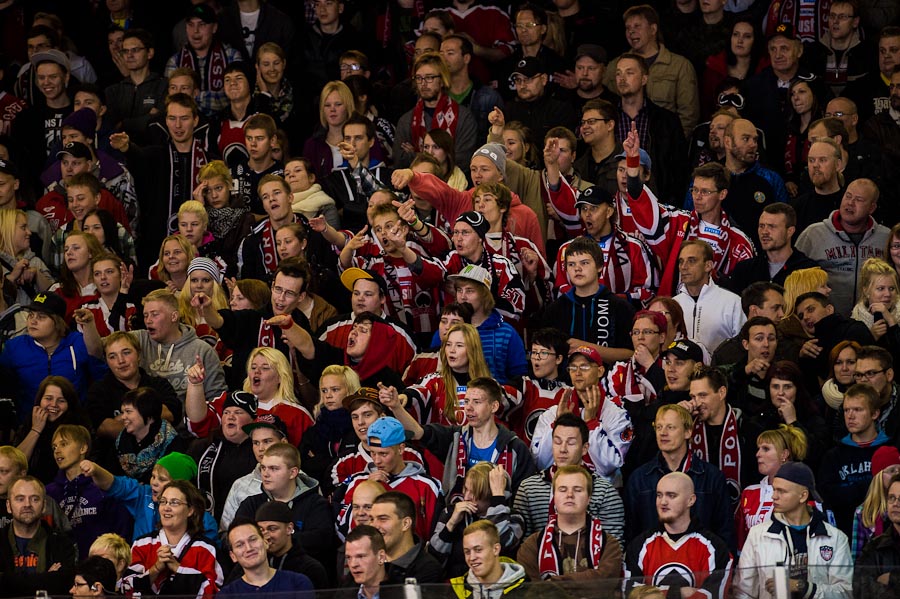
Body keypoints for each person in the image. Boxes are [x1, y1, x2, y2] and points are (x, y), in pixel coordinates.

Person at [622, 125, 754, 296]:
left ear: (722, 194)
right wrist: (633, 164)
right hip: (676, 309)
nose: (697, 197)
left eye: (705, 192)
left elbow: (745, 290)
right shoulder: (677, 223)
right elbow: (645, 208)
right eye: (695, 190)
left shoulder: (739, 242)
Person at [383, 377, 535, 500]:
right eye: (466, 401)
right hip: (457, 521)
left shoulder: (515, 448)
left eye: (476, 402)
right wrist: (396, 406)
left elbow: (524, 497)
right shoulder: (453, 438)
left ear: (494, 406)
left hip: (497, 525)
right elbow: (417, 432)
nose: (468, 408)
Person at [109, 93, 215, 269]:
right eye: (172, 118)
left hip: (201, 253)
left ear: (195, 121)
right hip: (158, 252)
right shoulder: (154, 156)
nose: (178, 125)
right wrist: (128, 148)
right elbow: (139, 159)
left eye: (184, 118)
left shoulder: (210, 163)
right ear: (166, 120)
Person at [626, 404, 735, 552]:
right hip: (652, 565)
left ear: (688, 432)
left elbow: (725, 532)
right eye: (659, 427)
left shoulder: (712, 477)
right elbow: (631, 534)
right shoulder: (639, 479)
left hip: (701, 564)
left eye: (670, 427)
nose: (663, 433)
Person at [734, 462, 852, 599]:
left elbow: (845, 592)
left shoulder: (836, 538)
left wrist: (802, 587)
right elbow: (743, 592)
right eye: (774, 489)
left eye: (782, 491)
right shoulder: (757, 535)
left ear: (803, 496)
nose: (774, 496)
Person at [513, 413, 625, 543]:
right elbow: (522, 544)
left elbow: (613, 549)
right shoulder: (529, 488)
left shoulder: (605, 492)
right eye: (557, 442)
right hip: (538, 561)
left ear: (585, 448)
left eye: (571, 443)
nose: (563, 449)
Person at [530, 345, 633, 479]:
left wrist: (591, 424)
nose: (577, 372)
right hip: (558, 489)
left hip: (601, 494)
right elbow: (540, 463)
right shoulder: (552, 414)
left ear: (600, 371)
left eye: (584, 367)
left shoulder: (618, 415)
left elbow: (610, 465)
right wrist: (557, 425)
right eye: (573, 367)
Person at [624, 472, 732, 598]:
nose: (663, 502)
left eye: (671, 495)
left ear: (690, 500)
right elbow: (629, 593)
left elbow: (712, 596)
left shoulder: (716, 548)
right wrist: (679, 592)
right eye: (659, 495)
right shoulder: (639, 546)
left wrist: (653, 593)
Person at [3, 293, 105, 422]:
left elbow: (97, 361)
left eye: (41, 317)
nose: (33, 321)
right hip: (29, 424)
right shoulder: (14, 347)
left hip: (74, 423)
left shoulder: (77, 341)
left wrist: (89, 325)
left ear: (58, 322)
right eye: (31, 315)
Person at [517, 464, 622, 584]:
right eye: (562, 489)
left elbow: (604, 585)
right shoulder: (532, 545)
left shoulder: (609, 544)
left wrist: (552, 583)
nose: (570, 495)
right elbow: (532, 592)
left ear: (589, 498)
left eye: (577, 490)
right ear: (554, 497)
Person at [604, 5, 699, 136]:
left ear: (653, 29)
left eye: (637, 26)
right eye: (628, 28)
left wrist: (673, 144)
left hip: (665, 145)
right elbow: (606, 107)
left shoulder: (679, 66)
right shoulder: (614, 66)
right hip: (623, 145)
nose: (631, 31)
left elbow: (689, 115)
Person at [543, 237, 636, 363]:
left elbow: (631, 353)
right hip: (567, 381)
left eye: (584, 263)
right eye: (571, 264)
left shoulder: (621, 307)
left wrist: (585, 348)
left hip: (609, 380)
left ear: (599, 267)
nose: (577, 269)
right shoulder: (555, 310)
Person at [123, 480, 223, 597]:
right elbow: (125, 588)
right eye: (163, 501)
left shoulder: (205, 549)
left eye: (174, 503)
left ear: (190, 510)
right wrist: (155, 569)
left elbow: (213, 593)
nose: (166, 507)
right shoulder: (141, 544)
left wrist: (178, 568)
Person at [45, 424, 131, 558]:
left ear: (83, 448)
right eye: (54, 447)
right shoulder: (49, 492)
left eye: (64, 444)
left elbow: (121, 530)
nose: (57, 450)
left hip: (99, 566)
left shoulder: (103, 486)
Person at [819, 383, 893, 533]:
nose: (850, 416)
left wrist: (849, 491)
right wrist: (869, 487)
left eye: (858, 410)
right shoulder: (833, 456)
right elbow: (828, 497)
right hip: (844, 534)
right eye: (846, 410)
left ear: (875, 413)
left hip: (885, 534)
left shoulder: (891, 451)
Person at [429, 462, 523, 578]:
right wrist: (451, 525)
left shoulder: (514, 518)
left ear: (490, 494)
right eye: (466, 489)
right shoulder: (451, 512)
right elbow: (432, 558)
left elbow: (501, 544)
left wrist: (498, 497)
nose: (467, 497)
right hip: (455, 586)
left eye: (474, 493)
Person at [393, 51, 478, 170]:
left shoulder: (464, 117)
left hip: (453, 186)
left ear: (443, 80)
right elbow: (399, 161)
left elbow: (463, 161)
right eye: (419, 78)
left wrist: (416, 155)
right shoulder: (407, 120)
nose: (423, 83)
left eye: (429, 78)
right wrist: (443, 156)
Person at [0, 476, 77, 596]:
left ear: (44, 506)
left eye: (35, 499)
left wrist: (9, 581)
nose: (27, 504)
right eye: (20, 499)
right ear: (8, 506)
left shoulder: (61, 543)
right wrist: (47, 578)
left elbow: (62, 585)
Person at [737, 425, 810, 549]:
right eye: (758, 449)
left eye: (765, 449)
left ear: (784, 454)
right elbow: (741, 541)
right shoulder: (749, 493)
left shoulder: (801, 493)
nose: (757, 454)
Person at [164, 4, 241, 117]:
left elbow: (234, 96)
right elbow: (171, 101)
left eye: (202, 25)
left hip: (224, 122)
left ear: (214, 28)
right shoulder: (175, 61)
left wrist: (191, 95)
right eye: (191, 25)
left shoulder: (232, 56)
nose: (195, 31)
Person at [725, 203, 817, 293]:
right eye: (761, 226)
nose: (764, 232)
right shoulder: (745, 269)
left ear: (790, 231)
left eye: (772, 226)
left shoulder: (808, 270)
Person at [673, 240, 746, 352]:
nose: (683, 267)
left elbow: (742, 347)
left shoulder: (733, 303)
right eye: (681, 261)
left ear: (708, 265)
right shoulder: (673, 305)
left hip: (720, 369)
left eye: (691, 261)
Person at [219, 521, 313, 595]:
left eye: (253, 539)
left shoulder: (298, 583)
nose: (249, 548)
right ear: (233, 556)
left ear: (266, 542)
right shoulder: (227, 595)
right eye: (240, 545)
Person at [369, 492, 444, 583]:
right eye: (372, 519)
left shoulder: (428, 569)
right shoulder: (367, 562)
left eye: (383, 519)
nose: (374, 526)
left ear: (405, 524)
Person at [449, 520, 530, 599]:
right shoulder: (454, 591)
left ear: (496, 549)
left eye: (478, 550)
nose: (472, 557)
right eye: (467, 552)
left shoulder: (527, 591)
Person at [853, 473, 900, 598]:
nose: (895, 503)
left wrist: (891, 578)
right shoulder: (873, 547)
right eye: (891, 498)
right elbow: (859, 589)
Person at [851, 445, 900, 558]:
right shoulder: (863, 512)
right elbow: (856, 558)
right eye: (892, 470)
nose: (897, 474)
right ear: (879, 476)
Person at [343, 525, 391, 599]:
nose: (353, 564)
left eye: (360, 556)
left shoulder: (404, 592)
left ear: (381, 557)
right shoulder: (343, 594)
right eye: (348, 557)